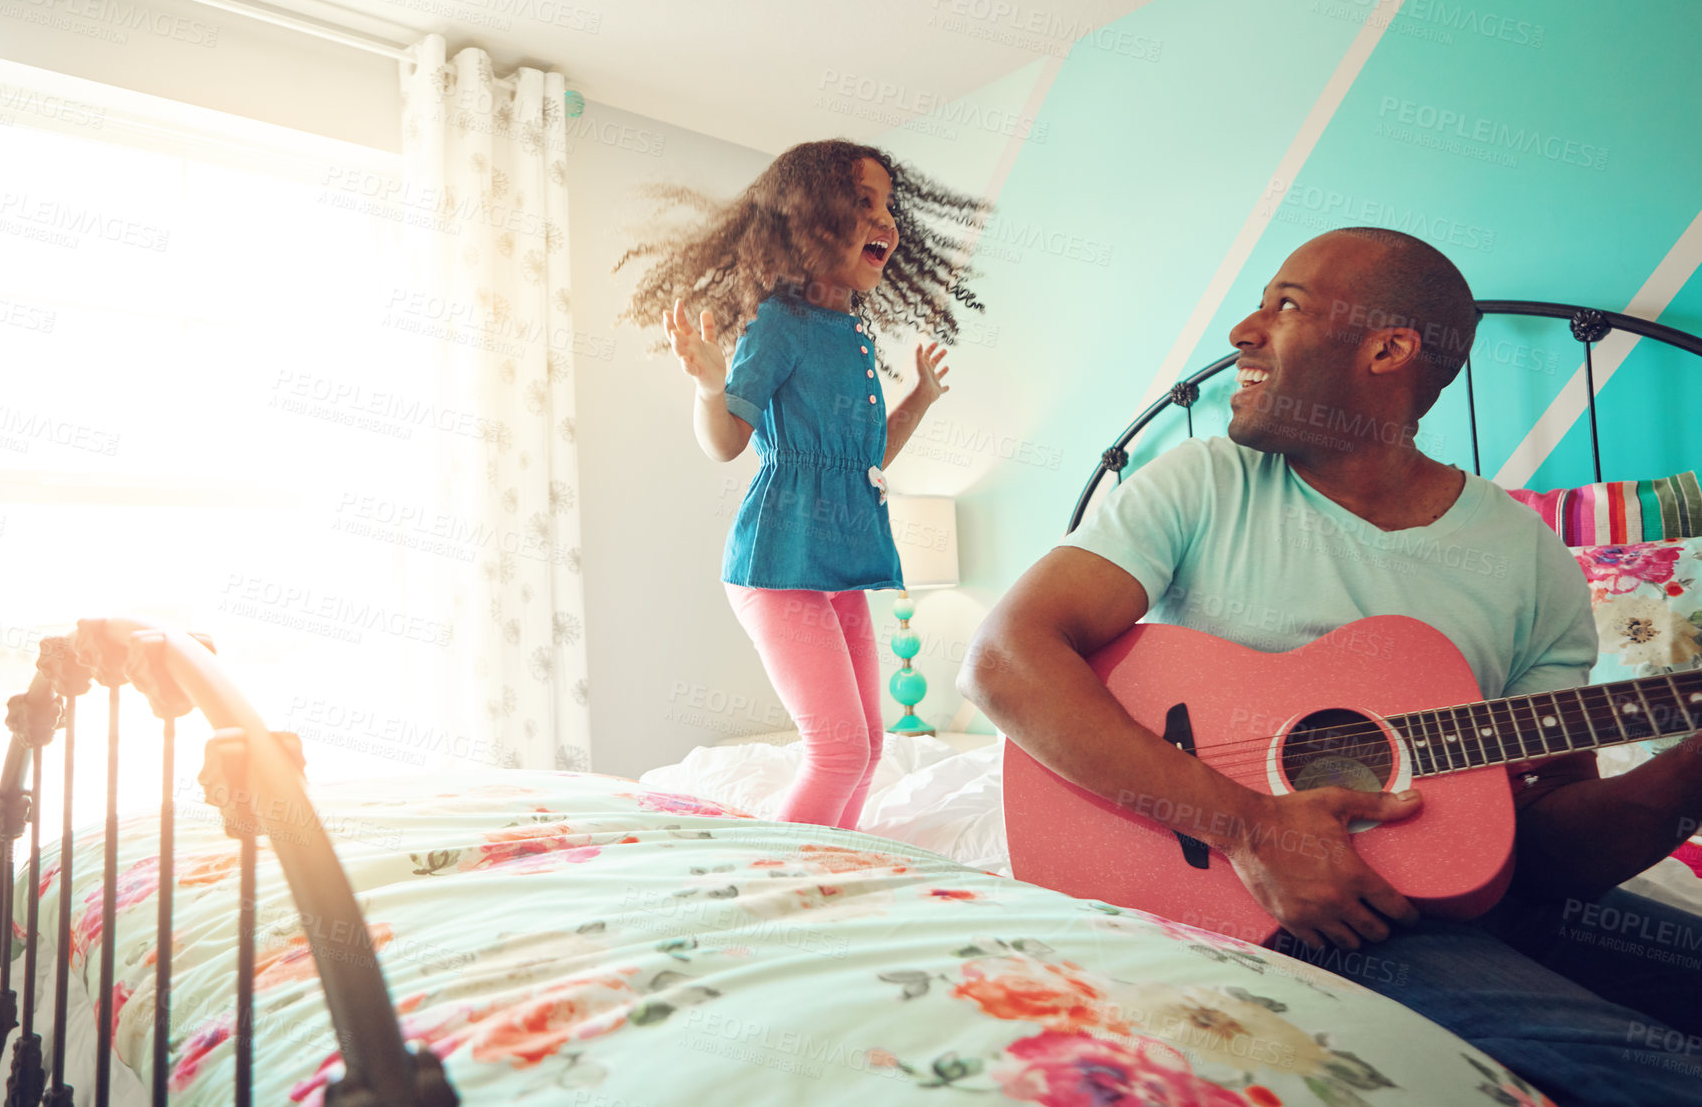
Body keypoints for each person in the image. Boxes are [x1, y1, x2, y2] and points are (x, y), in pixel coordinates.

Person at [958, 227, 1702, 1106]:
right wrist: (1251, 827)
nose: (1242, 329)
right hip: (1256, 896)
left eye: (1286, 305)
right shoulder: (1203, 482)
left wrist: (1689, 772)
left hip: (1462, 897)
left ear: (1389, 349)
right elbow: (1007, 661)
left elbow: (1544, 853)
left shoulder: (1526, 556)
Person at [617, 140, 986, 829]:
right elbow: (727, 442)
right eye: (864, 204)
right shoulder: (779, 324)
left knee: (871, 748)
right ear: (812, 221)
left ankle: (833, 868)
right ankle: (783, 881)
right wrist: (708, 384)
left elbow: (868, 457)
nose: (887, 222)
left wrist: (923, 398)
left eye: (888, 206)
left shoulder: (850, 332)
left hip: (837, 564)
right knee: (839, 752)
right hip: (778, 564)